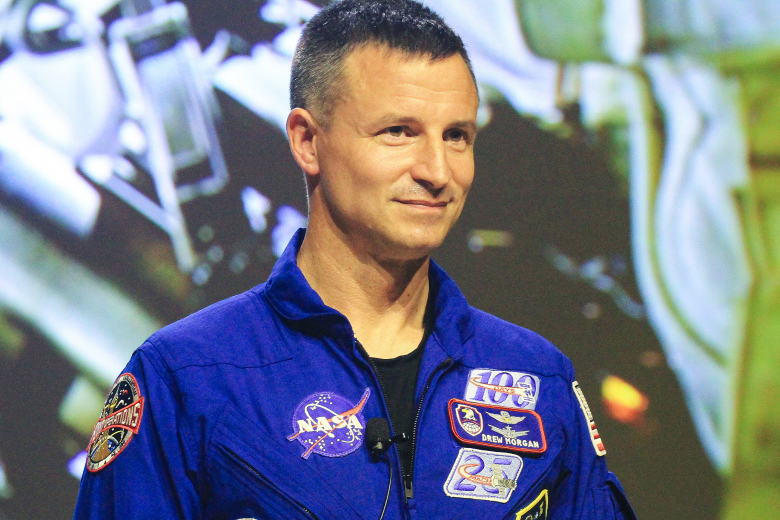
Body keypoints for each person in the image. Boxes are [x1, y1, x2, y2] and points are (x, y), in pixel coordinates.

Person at [73, 1, 637, 518]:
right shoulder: (184, 379)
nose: (438, 172)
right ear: (306, 141)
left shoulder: (539, 374)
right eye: (397, 132)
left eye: (457, 137)